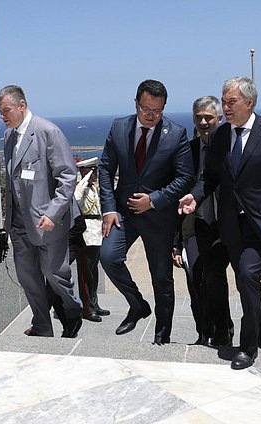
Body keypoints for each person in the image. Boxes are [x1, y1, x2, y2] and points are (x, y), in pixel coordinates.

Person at [179, 77, 261, 369]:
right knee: (244, 282)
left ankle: (247, 348)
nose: (226, 107)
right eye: (224, 101)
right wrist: (194, 197)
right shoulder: (222, 135)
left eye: (231, 102)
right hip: (230, 226)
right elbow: (210, 177)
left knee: (248, 276)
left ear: (249, 102)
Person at [99, 79, 194, 345]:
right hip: (124, 213)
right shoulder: (119, 127)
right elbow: (105, 169)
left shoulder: (176, 133)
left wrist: (153, 200)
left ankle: (162, 336)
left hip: (159, 217)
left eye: (158, 111)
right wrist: (108, 209)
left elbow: (185, 177)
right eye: (146, 110)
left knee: (161, 279)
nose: (152, 116)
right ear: (136, 104)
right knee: (108, 257)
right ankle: (138, 305)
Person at [0, 84, 83, 338]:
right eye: (0, 112)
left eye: (6, 110)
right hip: (19, 223)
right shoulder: (8, 136)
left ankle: (73, 310)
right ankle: (42, 326)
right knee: (28, 278)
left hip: (48, 220)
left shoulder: (47, 131)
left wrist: (53, 213)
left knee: (54, 273)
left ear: (21, 105)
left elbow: (68, 175)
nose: (3, 116)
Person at [172, 96, 234, 346]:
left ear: (219, 118)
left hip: (226, 224)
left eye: (209, 117)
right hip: (196, 225)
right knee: (195, 278)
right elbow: (178, 194)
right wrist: (175, 241)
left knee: (215, 274)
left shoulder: (231, 147)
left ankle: (224, 328)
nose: (204, 122)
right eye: (199, 118)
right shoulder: (187, 151)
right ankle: (203, 331)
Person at [72, 157, 110, 322]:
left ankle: (94, 304)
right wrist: (85, 176)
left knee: (93, 271)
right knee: (86, 274)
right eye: (93, 171)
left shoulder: (93, 188)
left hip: (96, 233)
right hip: (85, 234)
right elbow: (76, 196)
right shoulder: (80, 188)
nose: (96, 175)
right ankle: (87, 308)